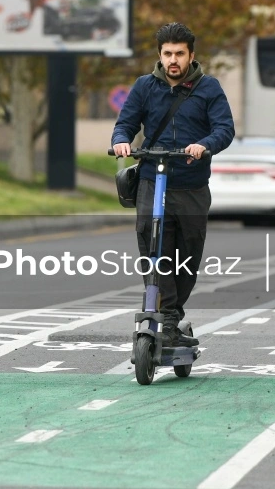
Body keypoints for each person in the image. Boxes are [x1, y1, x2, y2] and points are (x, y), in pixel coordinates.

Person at [111, 22, 235, 346]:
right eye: (167, 54)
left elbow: (225, 129)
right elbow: (125, 123)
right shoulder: (144, 87)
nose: (173, 60)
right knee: (154, 248)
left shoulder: (209, 88)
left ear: (191, 55)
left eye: (179, 53)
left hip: (191, 185)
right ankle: (164, 318)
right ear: (160, 55)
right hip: (153, 180)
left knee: (188, 257)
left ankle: (172, 316)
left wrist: (204, 144)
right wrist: (122, 141)